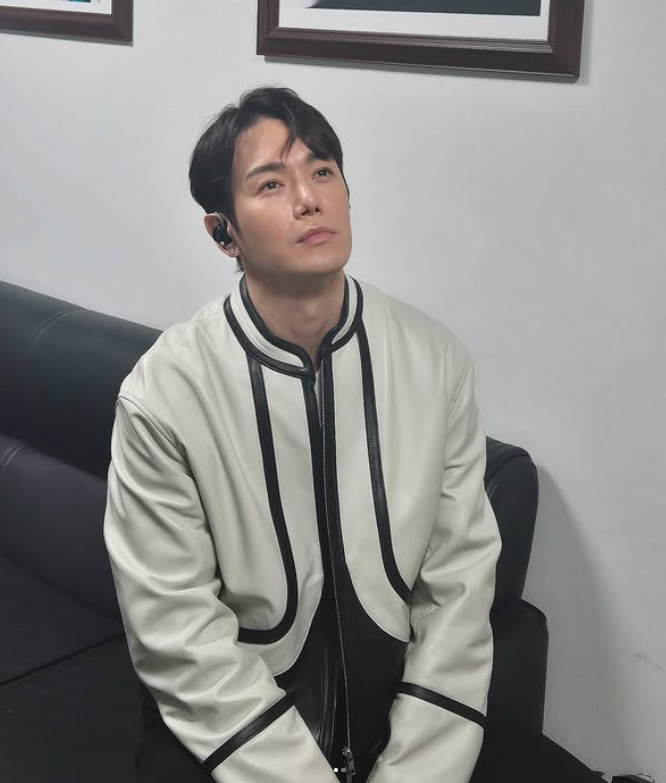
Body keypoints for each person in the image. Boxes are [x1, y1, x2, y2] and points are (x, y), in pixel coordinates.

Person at [103, 87, 599, 783]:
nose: (309, 199)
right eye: (271, 183)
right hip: (236, 733)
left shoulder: (433, 361)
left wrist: (416, 768)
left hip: (407, 717)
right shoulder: (164, 395)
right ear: (223, 233)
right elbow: (178, 632)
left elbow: (458, 588)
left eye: (323, 171)